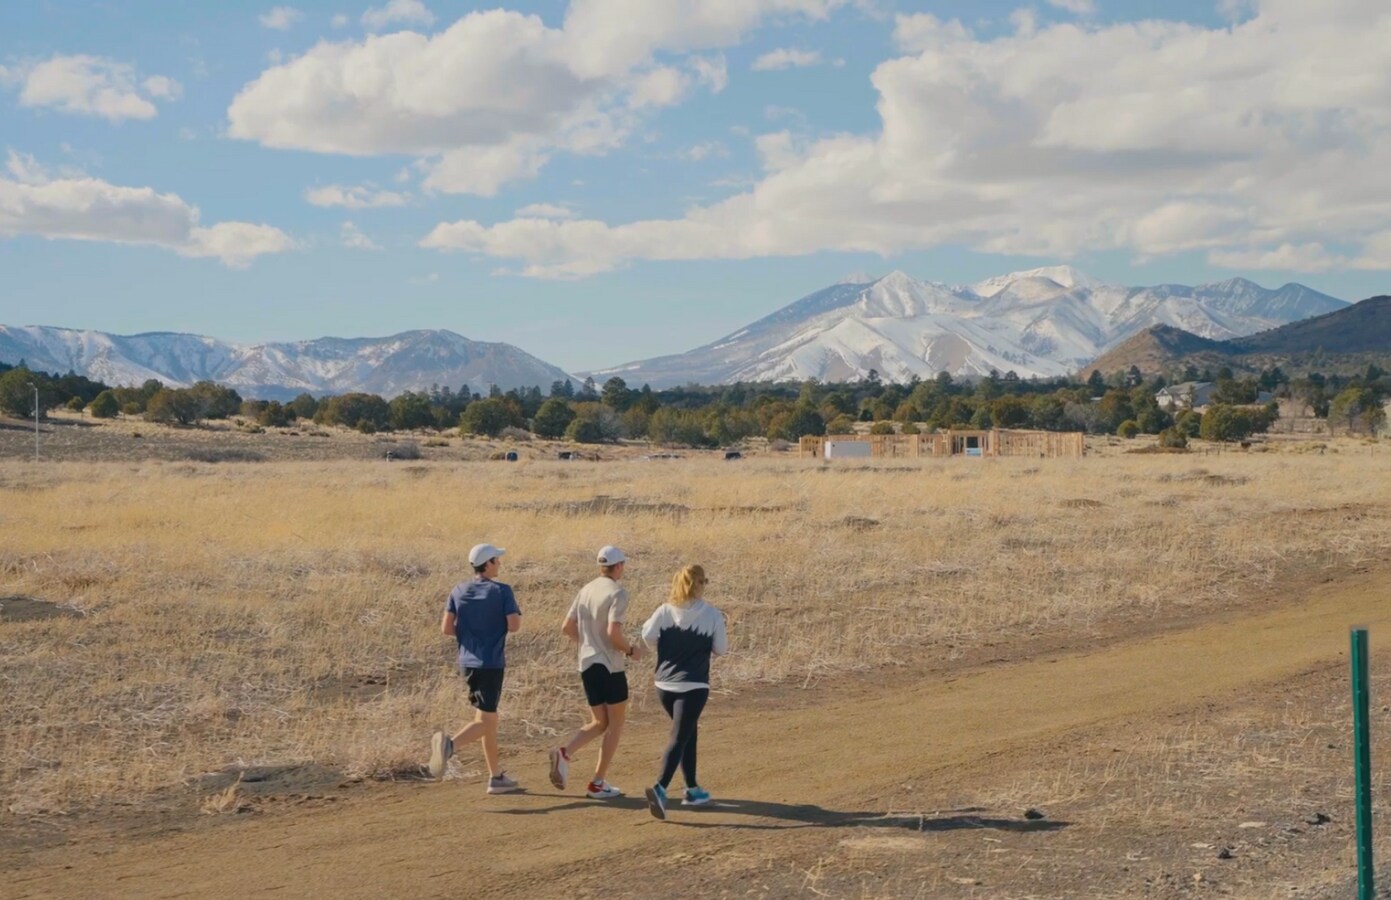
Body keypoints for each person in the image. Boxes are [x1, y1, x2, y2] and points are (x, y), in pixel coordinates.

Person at [428, 542, 522, 794]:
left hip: (467, 663)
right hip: (491, 664)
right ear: (488, 564)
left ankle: (496, 777)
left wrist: (470, 635)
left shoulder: (458, 590)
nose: (499, 563)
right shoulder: (502, 591)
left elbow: (446, 628)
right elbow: (514, 625)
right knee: (488, 721)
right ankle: (449, 746)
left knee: (485, 718)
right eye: (496, 560)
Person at [549, 545, 642, 800]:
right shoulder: (618, 593)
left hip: (586, 664)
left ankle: (565, 753)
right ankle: (597, 783)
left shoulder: (586, 589)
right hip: (609, 666)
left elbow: (567, 627)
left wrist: (588, 643)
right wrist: (630, 650)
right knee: (615, 725)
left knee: (599, 722)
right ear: (619, 566)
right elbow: (614, 633)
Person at [640, 564, 727, 820]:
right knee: (679, 736)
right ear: (699, 584)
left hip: (664, 684)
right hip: (694, 685)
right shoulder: (712, 614)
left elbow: (648, 636)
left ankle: (692, 788)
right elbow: (721, 649)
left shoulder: (664, 611)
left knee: (687, 731)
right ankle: (660, 788)